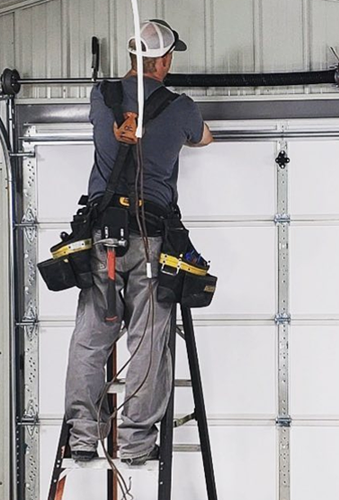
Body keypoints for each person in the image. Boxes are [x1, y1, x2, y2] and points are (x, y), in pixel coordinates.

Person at [64, 19, 213, 465]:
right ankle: (135, 445)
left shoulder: (102, 97)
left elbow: (111, 125)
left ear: (133, 58)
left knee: (90, 342)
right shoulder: (181, 107)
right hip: (149, 240)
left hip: (102, 240)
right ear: (164, 61)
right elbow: (204, 138)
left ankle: (82, 439)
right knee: (148, 343)